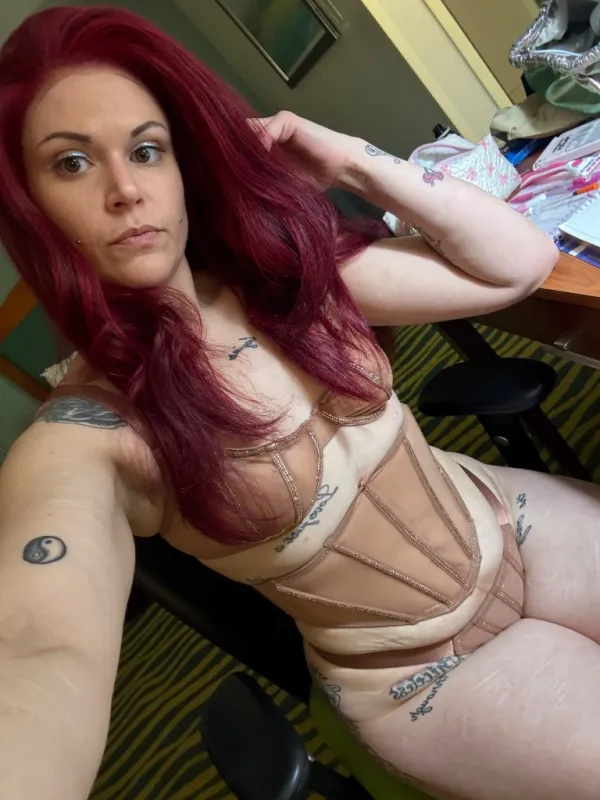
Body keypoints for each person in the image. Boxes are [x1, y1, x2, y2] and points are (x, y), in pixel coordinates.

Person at [0, 6, 598, 800]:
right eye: (71, 163)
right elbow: (37, 651)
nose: (126, 190)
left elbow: (516, 265)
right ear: (30, 205)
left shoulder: (282, 284)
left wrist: (352, 162)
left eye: (146, 150)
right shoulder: (89, 433)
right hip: (425, 671)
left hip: (507, 520)